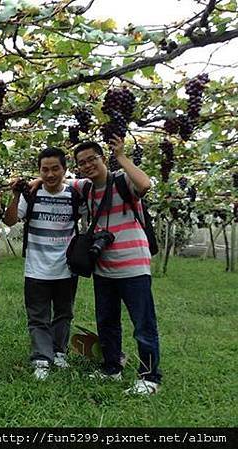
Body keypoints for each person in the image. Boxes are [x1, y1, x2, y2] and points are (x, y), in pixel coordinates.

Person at [71, 136, 162, 395]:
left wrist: (121, 156)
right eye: (82, 163)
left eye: (92, 159)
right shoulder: (85, 188)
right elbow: (59, 182)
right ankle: (112, 368)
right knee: (107, 321)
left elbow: (145, 184)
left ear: (102, 158)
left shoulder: (123, 181)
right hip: (104, 268)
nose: (87, 165)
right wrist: (33, 181)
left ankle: (150, 376)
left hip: (133, 267)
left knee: (143, 324)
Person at [3, 147, 80, 380]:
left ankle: (59, 351)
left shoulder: (75, 195)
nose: (50, 174)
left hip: (66, 267)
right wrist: (16, 194)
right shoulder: (31, 195)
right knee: (38, 315)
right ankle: (41, 357)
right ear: (39, 171)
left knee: (64, 313)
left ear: (65, 170)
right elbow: (10, 220)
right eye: (44, 170)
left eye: (55, 168)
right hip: (36, 266)